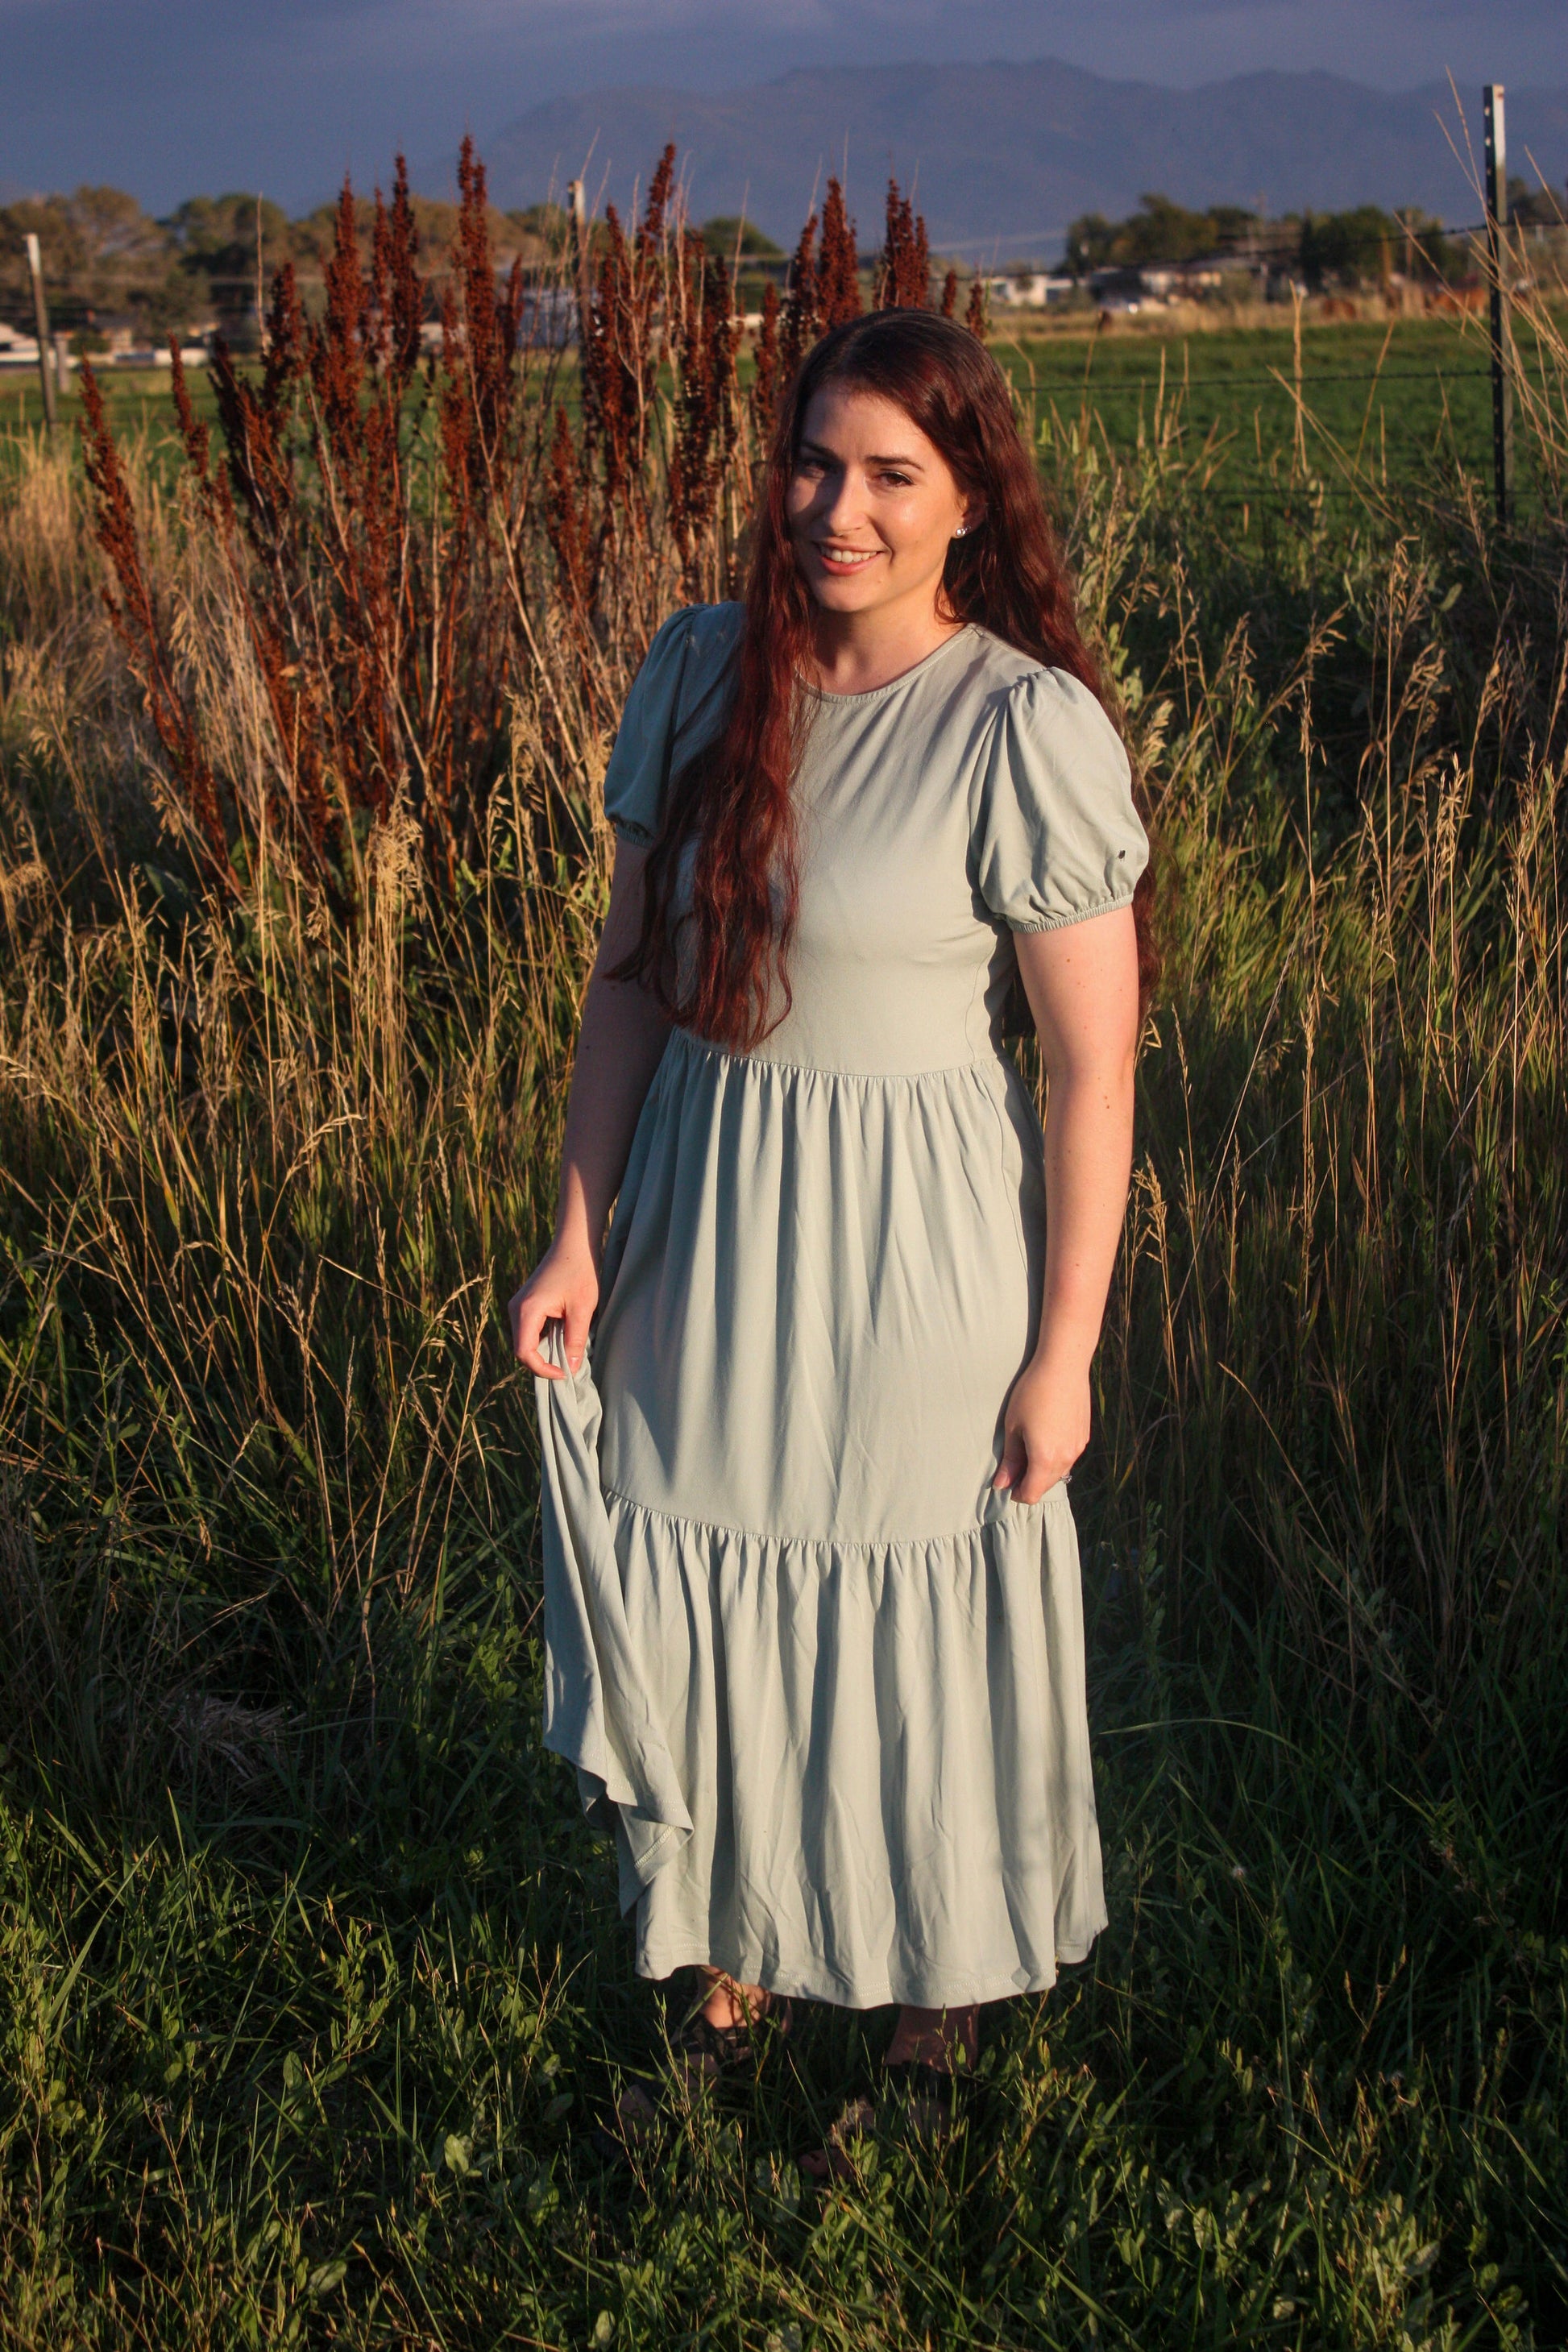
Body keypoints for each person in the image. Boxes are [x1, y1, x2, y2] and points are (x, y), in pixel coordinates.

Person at [510, 308, 1154, 2158]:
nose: (836, 507)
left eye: (888, 473)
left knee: (907, 1621)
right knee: (716, 1588)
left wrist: (1063, 1351)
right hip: (705, 1224)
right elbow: (629, 977)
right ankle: (727, 1991)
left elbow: (1089, 1074)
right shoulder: (701, 672)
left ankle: (929, 2029)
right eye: (812, 461)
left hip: (912, 1261)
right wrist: (578, 1233)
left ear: (966, 498)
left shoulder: (1022, 723)